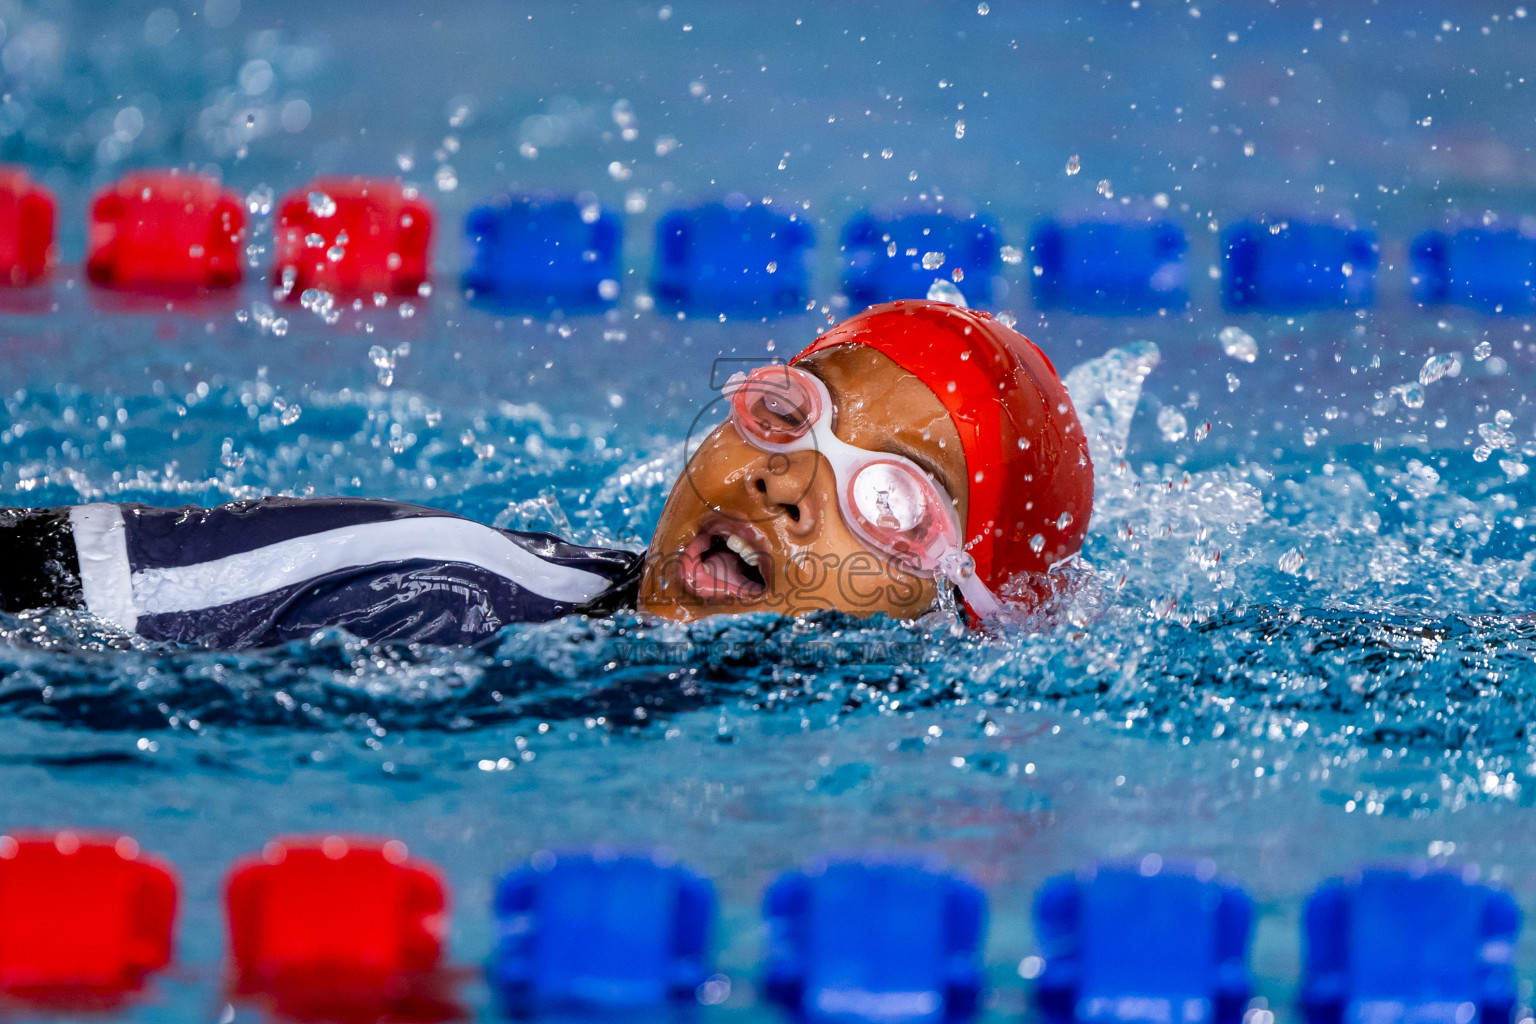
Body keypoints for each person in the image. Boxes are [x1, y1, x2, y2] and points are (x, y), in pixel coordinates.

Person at [0, 299, 1093, 648]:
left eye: (892, 499)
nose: (785, 483)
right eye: (784, 417)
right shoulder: (432, 584)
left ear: (961, 603)